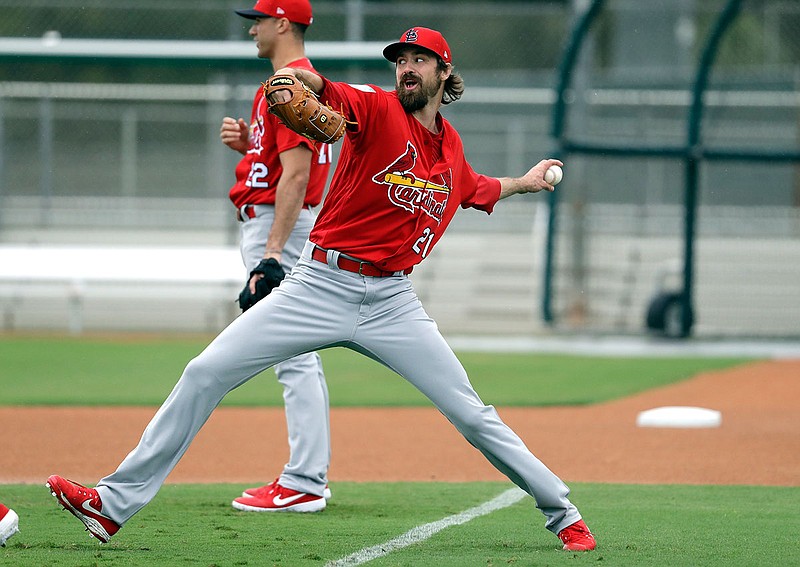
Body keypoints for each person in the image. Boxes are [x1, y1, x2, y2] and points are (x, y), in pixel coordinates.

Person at [46, 26, 597, 552]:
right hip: (319, 284)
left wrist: (524, 182)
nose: (406, 68)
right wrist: (290, 83)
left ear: (443, 71)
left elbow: (476, 188)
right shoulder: (375, 107)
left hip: (392, 303)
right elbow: (320, 86)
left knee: (473, 413)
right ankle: (112, 504)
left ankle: (564, 514)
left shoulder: (449, 148)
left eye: (418, 60)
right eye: (400, 60)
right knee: (205, 371)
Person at [218, 0, 333, 513]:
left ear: (283, 23)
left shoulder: (290, 83)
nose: (254, 30)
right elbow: (282, 161)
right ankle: (307, 477)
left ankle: (306, 481)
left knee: (292, 355)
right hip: (274, 222)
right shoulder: (292, 81)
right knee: (292, 352)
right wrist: (250, 146)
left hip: (277, 226)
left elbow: (298, 173)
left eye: (259, 21)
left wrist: (270, 253)